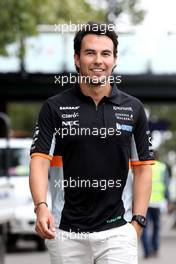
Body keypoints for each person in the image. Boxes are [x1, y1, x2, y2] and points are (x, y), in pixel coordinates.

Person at [29, 21, 155, 264]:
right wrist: (41, 207)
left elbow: (143, 169)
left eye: (105, 53)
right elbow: (39, 162)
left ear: (115, 59)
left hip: (118, 233)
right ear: (77, 59)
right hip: (65, 233)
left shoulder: (134, 109)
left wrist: (137, 223)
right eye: (90, 53)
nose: (98, 60)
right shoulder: (54, 107)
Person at [141, 154, 170, 258]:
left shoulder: (143, 165)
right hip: (157, 203)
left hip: (144, 202)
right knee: (156, 227)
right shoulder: (162, 167)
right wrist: (168, 199)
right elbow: (166, 184)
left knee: (144, 227)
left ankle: (147, 251)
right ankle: (155, 248)